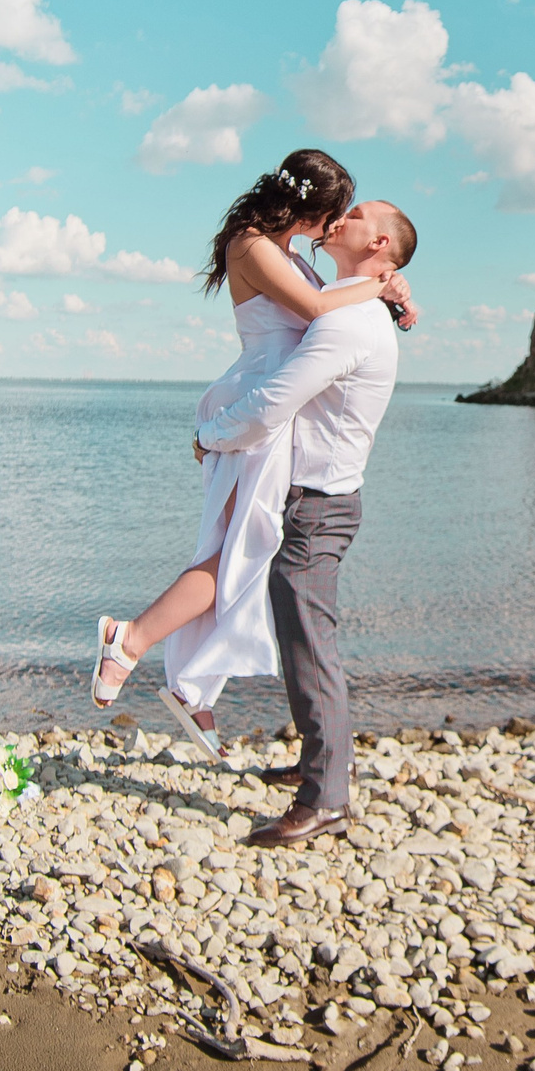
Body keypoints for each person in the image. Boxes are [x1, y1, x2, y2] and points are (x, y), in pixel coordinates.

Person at [90, 153, 412, 758]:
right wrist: (381, 286)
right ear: (309, 204)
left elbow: (331, 302)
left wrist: (391, 288)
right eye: (335, 212)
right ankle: (133, 642)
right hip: (255, 406)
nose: (335, 224)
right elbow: (317, 310)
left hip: (272, 414)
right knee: (239, 550)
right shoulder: (253, 244)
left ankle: (187, 682)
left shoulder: (288, 253)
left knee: (241, 552)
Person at [193, 199, 417, 848]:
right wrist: (395, 291)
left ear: (378, 243)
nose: (340, 216)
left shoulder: (347, 324)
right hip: (319, 500)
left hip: (317, 505)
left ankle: (326, 799)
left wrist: (209, 435)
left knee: (311, 646)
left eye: (356, 213)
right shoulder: (350, 305)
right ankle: (322, 763)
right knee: (302, 639)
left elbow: (273, 401)